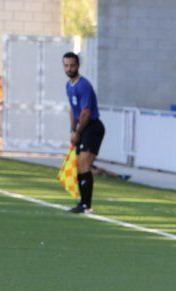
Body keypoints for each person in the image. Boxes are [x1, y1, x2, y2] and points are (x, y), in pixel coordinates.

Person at [63, 53, 105, 214]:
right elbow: (73, 110)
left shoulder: (84, 85)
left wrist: (78, 132)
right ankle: (83, 203)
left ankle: (86, 205)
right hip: (82, 128)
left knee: (84, 164)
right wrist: (73, 130)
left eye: (72, 65)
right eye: (66, 65)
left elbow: (86, 113)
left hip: (92, 127)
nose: (69, 68)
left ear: (78, 65)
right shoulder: (69, 85)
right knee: (80, 166)